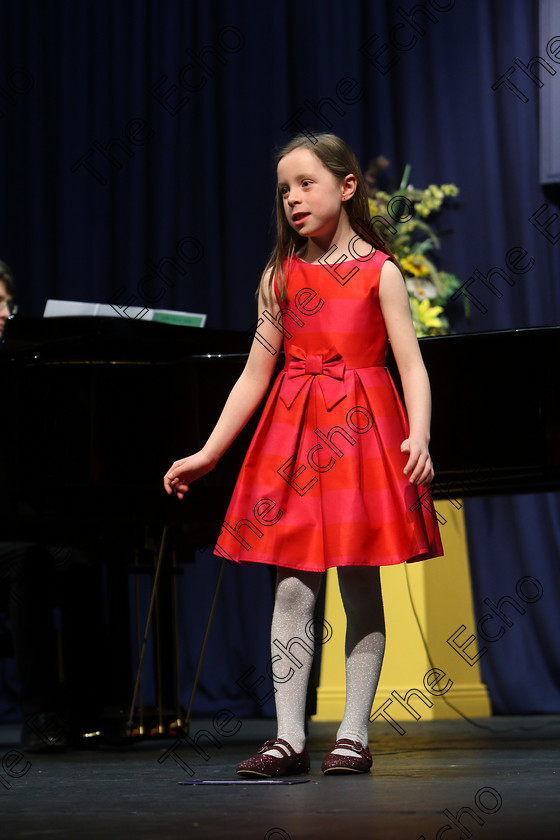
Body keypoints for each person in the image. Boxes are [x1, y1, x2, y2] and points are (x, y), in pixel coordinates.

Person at [164, 133, 443, 777]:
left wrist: (419, 434)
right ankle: (288, 736)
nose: (292, 198)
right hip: (291, 438)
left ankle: (353, 733)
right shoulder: (280, 275)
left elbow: (412, 367)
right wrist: (209, 453)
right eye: (284, 189)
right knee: (292, 587)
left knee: (359, 580)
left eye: (306, 183)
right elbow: (255, 374)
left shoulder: (381, 272)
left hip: (360, 433)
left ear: (347, 187)